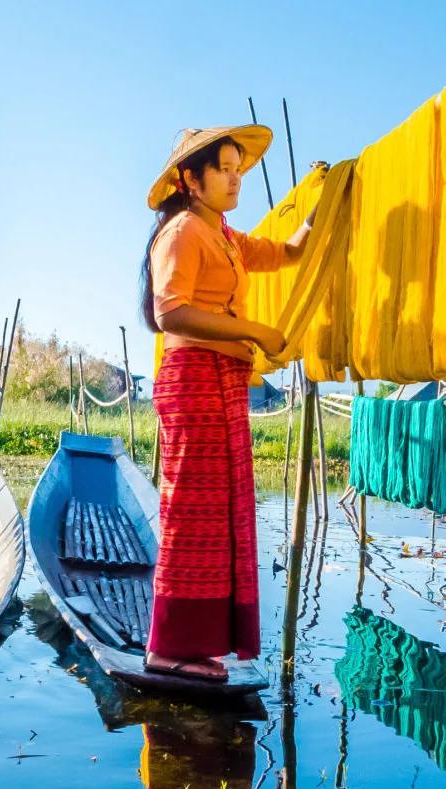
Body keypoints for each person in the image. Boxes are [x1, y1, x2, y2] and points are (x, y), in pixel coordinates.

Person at [140, 125, 312, 680]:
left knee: (220, 515)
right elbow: (171, 313)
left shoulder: (228, 238)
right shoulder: (182, 231)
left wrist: (319, 203)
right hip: (193, 378)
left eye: (240, 168)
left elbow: (287, 252)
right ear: (191, 179)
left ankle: (201, 643)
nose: (237, 178)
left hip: (223, 381)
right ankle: (168, 646)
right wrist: (258, 331)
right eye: (225, 169)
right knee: (191, 509)